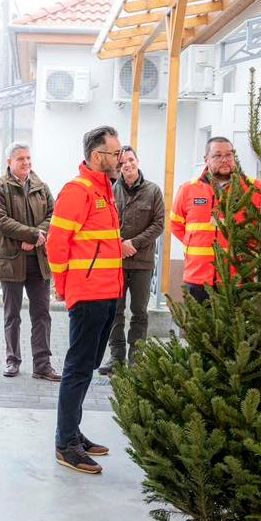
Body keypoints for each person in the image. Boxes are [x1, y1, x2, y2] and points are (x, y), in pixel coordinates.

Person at [46, 125, 125, 474]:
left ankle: (74, 432)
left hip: (108, 293)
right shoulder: (78, 192)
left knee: (88, 366)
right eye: (116, 153)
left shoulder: (105, 191)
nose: (120, 158)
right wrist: (66, 289)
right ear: (97, 156)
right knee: (77, 369)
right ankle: (66, 444)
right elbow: (56, 244)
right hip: (89, 295)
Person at [0, 142, 60, 381]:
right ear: (9, 162)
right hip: (11, 260)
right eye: (21, 159)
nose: (26, 163)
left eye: (28, 158)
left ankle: (42, 365)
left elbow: (54, 215)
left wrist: (38, 235)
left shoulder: (41, 187)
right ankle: (12, 360)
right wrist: (31, 234)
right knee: (12, 315)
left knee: (42, 314)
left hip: (38, 260)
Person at [170, 136, 261, 302]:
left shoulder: (253, 189)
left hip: (238, 277)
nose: (224, 160)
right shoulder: (188, 190)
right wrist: (195, 243)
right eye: (217, 155)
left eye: (229, 155)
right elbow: (176, 225)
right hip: (198, 276)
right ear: (206, 159)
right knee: (198, 327)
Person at [99, 145, 165, 375]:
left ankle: (136, 358)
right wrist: (118, 245)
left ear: (137, 161)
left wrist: (133, 244)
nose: (127, 164)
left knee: (139, 312)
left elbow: (158, 224)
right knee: (115, 311)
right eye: (122, 161)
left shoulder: (153, 191)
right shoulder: (109, 192)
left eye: (130, 159)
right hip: (115, 263)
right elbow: (103, 224)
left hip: (142, 263)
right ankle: (116, 357)